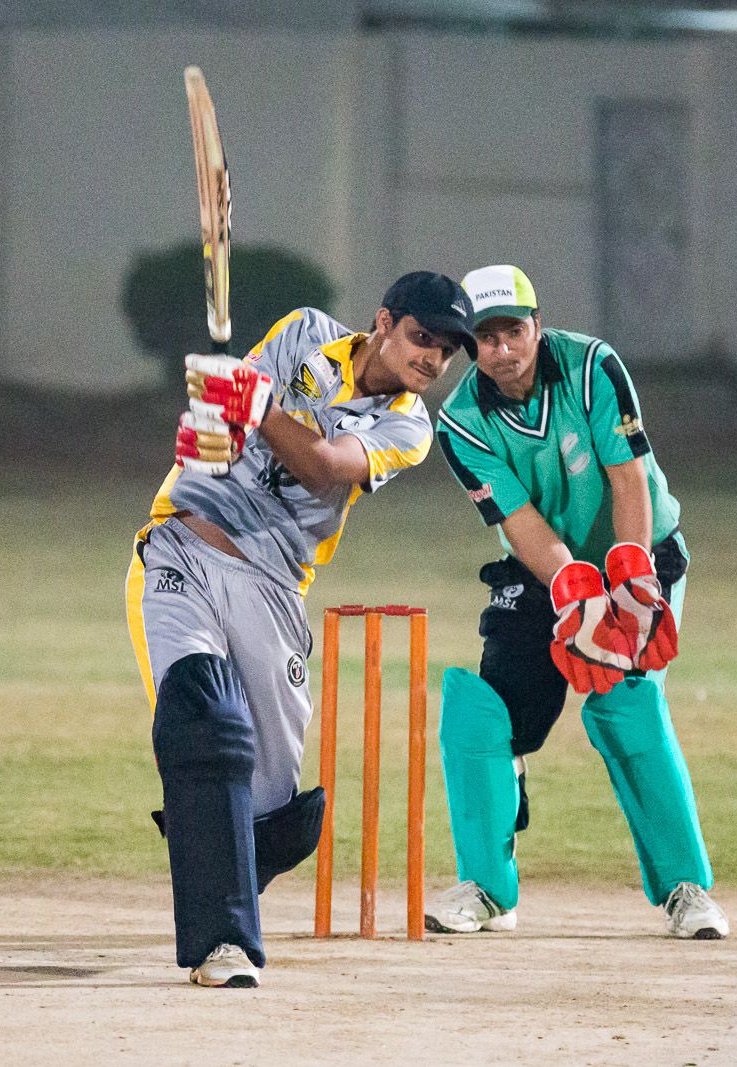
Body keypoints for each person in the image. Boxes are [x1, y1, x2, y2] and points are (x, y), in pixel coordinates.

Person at [124, 271, 479, 988]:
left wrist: (255, 407)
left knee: (275, 812)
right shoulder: (306, 332)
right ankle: (222, 942)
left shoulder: (410, 426)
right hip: (181, 550)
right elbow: (219, 426)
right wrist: (213, 417)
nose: (433, 359)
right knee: (206, 726)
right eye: (422, 337)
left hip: (273, 585)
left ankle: (219, 861)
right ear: (384, 322)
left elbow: (323, 469)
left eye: (446, 350)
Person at [427, 264, 728, 939]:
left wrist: (630, 576)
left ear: (537, 325)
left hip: (641, 549)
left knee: (628, 704)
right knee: (486, 712)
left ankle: (686, 889)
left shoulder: (593, 368)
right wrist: (570, 586)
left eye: (514, 331)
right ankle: (487, 888)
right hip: (545, 568)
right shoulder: (461, 422)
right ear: (471, 346)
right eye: (486, 338)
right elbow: (520, 521)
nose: (503, 348)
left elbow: (627, 478)